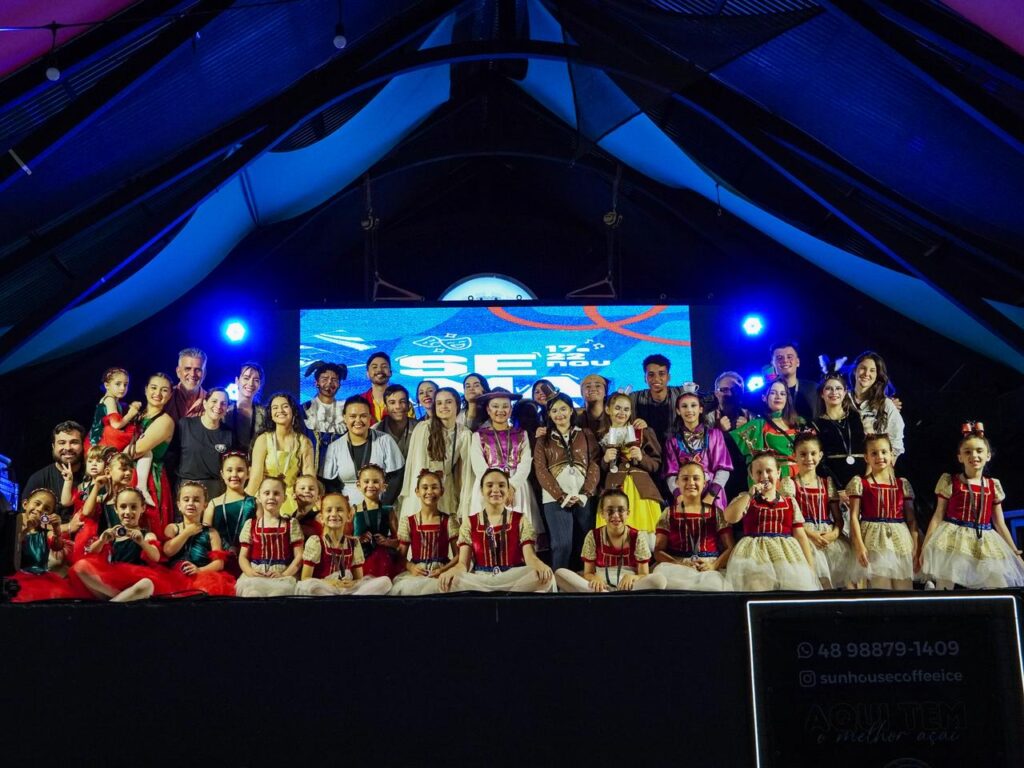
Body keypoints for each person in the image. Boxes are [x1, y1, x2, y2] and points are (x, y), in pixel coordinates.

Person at [919, 425, 1024, 589]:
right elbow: (938, 516)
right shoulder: (951, 482)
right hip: (953, 537)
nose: (974, 455)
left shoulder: (992, 485)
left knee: (997, 584)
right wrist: (926, 546)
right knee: (946, 582)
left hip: (984, 538)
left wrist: (1014, 551)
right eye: (967, 452)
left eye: (979, 451)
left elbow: (999, 522)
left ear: (988, 455)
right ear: (960, 457)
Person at [439, 469, 554, 593]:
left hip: (513, 578)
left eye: (501, 485)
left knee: (545, 578)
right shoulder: (470, 522)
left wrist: (540, 565)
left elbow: (530, 557)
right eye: (489, 485)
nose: (495, 490)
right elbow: (463, 564)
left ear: (508, 490)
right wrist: (452, 571)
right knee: (452, 581)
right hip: (482, 580)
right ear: (481, 490)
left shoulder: (520, 519)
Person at [723, 452, 819, 591]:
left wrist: (810, 568)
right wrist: (749, 495)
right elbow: (729, 517)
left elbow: (800, 535)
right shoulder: (746, 499)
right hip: (755, 556)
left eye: (769, 471)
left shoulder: (789, 502)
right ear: (752, 475)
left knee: (792, 591)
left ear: (778, 473)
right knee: (758, 590)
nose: (764, 476)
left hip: (786, 556)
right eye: (759, 472)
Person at [70, 487, 186, 601]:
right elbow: (91, 552)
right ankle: (120, 598)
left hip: (136, 580)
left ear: (143, 508)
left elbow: (156, 557)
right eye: (123, 507)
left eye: (133, 507)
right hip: (113, 581)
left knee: (147, 584)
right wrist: (101, 540)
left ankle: (115, 602)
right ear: (116, 509)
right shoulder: (112, 534)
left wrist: (142, 542)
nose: (128, 512)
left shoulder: (146, 535)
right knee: (80, 566)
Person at [463, 388, 542, 543]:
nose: (501, 410)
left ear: (511, 410)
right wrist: (496, 487)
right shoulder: (479, 435)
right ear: (488, 410)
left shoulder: (522, 434)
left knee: (518, 531)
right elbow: (478, 465)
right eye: (495, 406)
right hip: (489, 486)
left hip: (516, 486)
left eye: (505, 406)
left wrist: (511, 486)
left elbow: (525, 462)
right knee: (489, 531)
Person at [533, 392, 601, 570]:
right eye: (554, 410)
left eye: (563, 409)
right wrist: (560, 496)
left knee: (587, 543)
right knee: (561, 545)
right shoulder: (543, 439)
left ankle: (587, 580)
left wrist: (586, 492)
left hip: (584, 496)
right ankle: (559, 582)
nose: (559, 414)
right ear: (549, 414)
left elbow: (594, 463)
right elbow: (540, 470)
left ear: (571, 410)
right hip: (555, 499)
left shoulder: (585, 434)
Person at [555, 489, 666, 593]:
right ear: (602, 513)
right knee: (560, 574)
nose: (616, 515)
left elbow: (644, 574)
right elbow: (588, 573)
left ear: (628, 513)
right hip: (600, 587)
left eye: (621, 510)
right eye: (610, 511)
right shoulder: (593, 536)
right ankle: (606, 596)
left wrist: (633, 577)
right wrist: (594, 578)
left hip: (630, 587)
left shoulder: (637, 536)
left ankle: (610, 598)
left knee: (659, 581)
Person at [847, 433, 918, 590]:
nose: (880, 456)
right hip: (873, 540)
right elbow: (854, 517)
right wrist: (859, 545)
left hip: (900, 539)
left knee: (904, 586)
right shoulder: (861, 483)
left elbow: (911, 519)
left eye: (884, 452)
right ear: (866, 458)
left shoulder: (902, 484)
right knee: (881, 586)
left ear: (891, 454)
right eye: (874, 453)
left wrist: (915, 544)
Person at [653, 462, 734, 591]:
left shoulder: (716, 512)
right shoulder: (668, 513)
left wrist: (714, 565)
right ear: (677, 483)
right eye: (685, 479)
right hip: (676, 568)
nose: (691, 483)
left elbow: (730, 547)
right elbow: (658, 551)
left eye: (696, 478)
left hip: (709, 568)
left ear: (704, 483)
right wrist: (678, 564)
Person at [295, 491, 392, 596]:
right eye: (329, 510)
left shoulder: (354, 543)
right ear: (321, 517)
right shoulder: (316, 542)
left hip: (347, 589)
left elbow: (359, 579)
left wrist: (352, 583)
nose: (334, 514)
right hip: (325, 588)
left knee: (385, 582)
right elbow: (305, 578)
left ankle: (351, 599)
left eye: (339, 510)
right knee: (308, 586)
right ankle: (343, 601)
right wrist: (331, 583)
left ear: (349, 516)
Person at [791, 432, 855, 589]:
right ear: (794, 456)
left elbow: (838, 519)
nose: (808, 458)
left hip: (828, 537)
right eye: (803, 454)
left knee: (840, 583)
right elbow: (789, 519)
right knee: (813, 582)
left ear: (820, 456)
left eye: (813, 454)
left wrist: (834, 534)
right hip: (804, 537)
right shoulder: (790, 484)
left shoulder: (827, 483)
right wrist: (810, 534)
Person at [598, 393, 662, 545]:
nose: (622, 413)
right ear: (608, 409)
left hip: (641, 491)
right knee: (616, 539)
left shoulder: (642, 431)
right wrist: (605, 460)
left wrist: (641, 458)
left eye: (626, 409)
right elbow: (596, 468)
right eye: (617, 408)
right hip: (614, 490)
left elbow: (656, 464)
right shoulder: (600, 436)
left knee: (646, 540)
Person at [400, 387, 472, 518]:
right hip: (423, 488)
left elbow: (466, 472)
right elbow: (418, 466)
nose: (443, 406)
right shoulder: (424, 428)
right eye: (439, 403)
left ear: (457, 404)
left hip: (447, 489)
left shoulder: (465, 433)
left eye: (448, 402)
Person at [322, 397, 404, 505]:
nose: (358, 420)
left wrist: (382, 507)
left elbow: (396, 478)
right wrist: (343, 508)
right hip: (348, 510)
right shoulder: (334, 448)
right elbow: (330, 484)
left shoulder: (385, 441)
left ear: (370, 417)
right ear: (344, 418)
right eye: (353, 416)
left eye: (363, 416)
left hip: (381, 507)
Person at [662, 384, 732, 510]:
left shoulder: (715, 435)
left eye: (693, 405)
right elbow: (671, 474)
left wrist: (711, 495)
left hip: (713, 495)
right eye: (684, 406)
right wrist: (679, 496)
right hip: (685, 495)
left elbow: (723, 469)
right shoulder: (672, 441)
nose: (689, 410)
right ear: (678, 411)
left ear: (700, 409)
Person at [390, 470, 460, 596]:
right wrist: (411, 567)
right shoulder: (409, 522)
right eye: (425, 487)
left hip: (441, 573)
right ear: (417, 492)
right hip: (417, 574)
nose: (429, 492)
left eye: (434, 487)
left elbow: (458, 555)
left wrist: (443, 570)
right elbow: (400, 556)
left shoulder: (448, 521)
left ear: (442, 491)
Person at [11, 488, 86, 602]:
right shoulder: (13, 527)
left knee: (57, 595)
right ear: (25, 504)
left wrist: (56, 528)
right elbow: (14, 550)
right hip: (20, 578)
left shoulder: (46, 533)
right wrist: (27, 530)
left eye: (46, 509)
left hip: (42, 577)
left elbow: (58, 546)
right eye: (37, 504)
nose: (40, 509)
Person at [247, 393, 315, 518]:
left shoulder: (304, 442)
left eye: (285, 406)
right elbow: (255, 477)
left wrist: (310, 503)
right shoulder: (263, 440)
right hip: (265, 498)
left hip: (293, 500)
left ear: (293, 411)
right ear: (271, 414)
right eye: (275, 408)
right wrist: (244, 504)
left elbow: (309, 477)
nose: (280, 410)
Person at [162, 481, 235, 596]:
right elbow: (168, 551)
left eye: (196, 500)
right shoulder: (172, 528)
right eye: (186, 500)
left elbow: (219, 563)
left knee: (204, 592)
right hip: (175, 577)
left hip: (202, 575)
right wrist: (187, 532)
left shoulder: (211, 533)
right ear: (179, 505)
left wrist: (199, 570)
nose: (191, 503)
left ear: (204, 505)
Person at [235, 476, 304, 597]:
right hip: (256, 575)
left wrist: (285, 574)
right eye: (267, 493)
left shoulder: (290, 524)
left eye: (276, 493)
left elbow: (299, 555)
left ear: (284, 498)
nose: (271, 497)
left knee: (279, 595)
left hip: (282, 575)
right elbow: (243, 557)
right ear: (259, 497)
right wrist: (250, 572)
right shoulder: (251, 525)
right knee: (252, 594)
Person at [128, 373, 176, 530]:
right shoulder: (136, 415)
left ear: (170, 395)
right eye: (154, 388)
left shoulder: (165, 421)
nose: (158, 393)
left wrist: (111, 459)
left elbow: (137, 450)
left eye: (164, 390)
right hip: (126, 473)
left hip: (149, 480)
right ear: (146, 389)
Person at [730, 379, 802, 480]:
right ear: (764, 397)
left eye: (782, 394)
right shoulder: (758, 425)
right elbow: (753, 464)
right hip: (775, 479)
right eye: (773, 393)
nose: (778, 396)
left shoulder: (798, 423)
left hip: (801, 477)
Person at [203, 452, 257, 570]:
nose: (234, 474)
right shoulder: (213, 504)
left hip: (249, 561)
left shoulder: (255, 503)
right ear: (222, 474)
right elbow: (205, 538)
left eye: (240, 470)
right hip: (219, 563)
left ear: (248, 473)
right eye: (229, 470)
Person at [175, 388, 232, 498]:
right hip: (186, 486)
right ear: (205, 403)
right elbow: (172, 456)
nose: (218, 406)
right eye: (214, 401)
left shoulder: (229, 434)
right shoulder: (185, 425)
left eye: (223, 403)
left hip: (215, 489)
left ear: (227, 408)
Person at [812, 373, 866, 489]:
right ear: (822, 394)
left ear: (845, 392)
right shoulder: (816, 424)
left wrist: (867, 479)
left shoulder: (858, 418)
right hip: (833, 483)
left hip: (862, 480)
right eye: (828, 388)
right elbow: (819, 460)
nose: (834, 392)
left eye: (838, 388)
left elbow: (869, 447)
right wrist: (835, 486)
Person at [849, 352, 905, 463]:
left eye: (872, 370)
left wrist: (883, 468)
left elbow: (896, 444)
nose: (866, 373)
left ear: (877, 375)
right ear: (855, 370)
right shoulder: (842, 399)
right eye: (863, 368)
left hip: (874, 466)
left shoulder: (886, 404)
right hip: (844, 463)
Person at [25, 420, 85, 522]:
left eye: (74, 442)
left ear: (83, 445)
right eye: (62, 443)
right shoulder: (38, 479)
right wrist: (67, 527)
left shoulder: (93, 474)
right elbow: (24, 521)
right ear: (53, 446)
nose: (68, 448)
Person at [351, 464, 402, 578]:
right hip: (360, 559)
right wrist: (358, 539)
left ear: (384, 486)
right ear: (358, 485)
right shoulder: (353, 510)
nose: (370, 485)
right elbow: (344, 539)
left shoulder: (388, 511)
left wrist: (387, 542)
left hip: (384, 560)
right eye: (366, 481)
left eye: (375, 481)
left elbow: (399, 541)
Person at [301, 361, 347, 478]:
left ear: (339, 385)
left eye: (334, 380)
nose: (329, 383)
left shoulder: (345, 411)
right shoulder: (304, 410)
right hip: (309, 475)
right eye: (324, 379)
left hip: (338, 476)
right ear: (316, 383)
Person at [629, 354, 684, 445]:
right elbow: (611, 403)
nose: (656, 379)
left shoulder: (681, 394)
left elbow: (707, 400)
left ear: (668, 377)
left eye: (661, 374)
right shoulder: (635, 398)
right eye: (651, 374)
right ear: (645, 378)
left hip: (677, 451)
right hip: (646, 451)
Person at [87, 367, 141, 452]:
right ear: (107, 385)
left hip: (101, 438)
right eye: (118, 384)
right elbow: (116, 425)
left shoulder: (114, 400)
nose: (122, 388)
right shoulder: (110, 400)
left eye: (125, 384)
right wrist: (130, 414)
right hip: (101, 441)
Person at [769, 342, 818, 422]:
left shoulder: (814, 389)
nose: (785, 360)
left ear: (798, 362)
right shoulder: (765, 391)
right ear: (773, 364)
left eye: (789, 357)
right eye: (779, 358)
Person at [225, 361, 266, 451]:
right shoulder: (225, 411)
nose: (251, 383)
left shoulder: (265, 414)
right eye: (246, 378)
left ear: (259, 385)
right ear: (237, 381)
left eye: (256, 380)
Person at [372, 383, 418, 459]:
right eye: (392, 403)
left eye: (402, 401)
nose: (398, 406)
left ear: (408, 405)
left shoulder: (419, 428)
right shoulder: (375, 431)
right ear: (386, 408)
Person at [164, 347, 208, 424]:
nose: (192, 374)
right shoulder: (165, 397)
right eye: (187, 369)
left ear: (204, 374)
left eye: (198, 370)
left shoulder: (211, 402)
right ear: (178, 372)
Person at [360, 352, 394, 425]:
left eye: (384, 366)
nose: (379, 370)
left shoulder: (401, 402)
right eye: (374, 367)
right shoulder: (359, 402)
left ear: (390, 372)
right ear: (367, 374)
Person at [293, 474, 323, 540]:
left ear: (318, 497)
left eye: (311, 489)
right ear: (294, 495)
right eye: (302, 488)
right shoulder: (289, 518)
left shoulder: (319, 518)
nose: (307, 491)